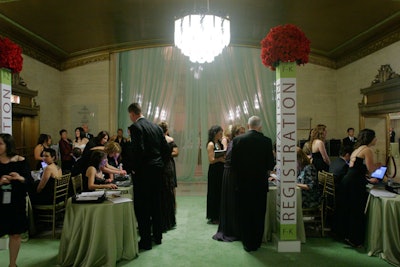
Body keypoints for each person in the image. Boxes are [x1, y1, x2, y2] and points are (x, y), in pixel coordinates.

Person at [127, 102, 170, 250]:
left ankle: (145, 241)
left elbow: (138, 151)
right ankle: (158, 237)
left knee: (142, 207)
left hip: (143, 173)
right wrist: (160, 164)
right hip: (157, 171)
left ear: (132, 114)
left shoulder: (135, 127)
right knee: (156, 204)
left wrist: (134, 169)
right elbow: (166, 150)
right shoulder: (157, 127)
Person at [231, 116, 274, 252]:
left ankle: (247, 242)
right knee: (259, 213)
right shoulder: (266, 141)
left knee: (244, 213)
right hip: (260, 184)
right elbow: (270, 164)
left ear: (248, 125)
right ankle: (256, 242)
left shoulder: (237, 140)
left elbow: (233, 164)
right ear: (260, 126)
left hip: (242, 183)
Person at [336, 128, 380, 248]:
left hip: (348, 181)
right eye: (375, 137)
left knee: (350, 209)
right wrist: (379, 165)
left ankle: (348, 236)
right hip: (355, 183)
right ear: (370, 138)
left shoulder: (357, 149)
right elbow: (371, 170)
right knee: (357, 210)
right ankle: (355, 239)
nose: (376, 139)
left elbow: (356, 168)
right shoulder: (367, 150)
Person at [0, 133, 33, 267]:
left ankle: (12, 263)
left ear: (8, 145)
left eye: (1, 144)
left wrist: (19, 178)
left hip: (15, 202)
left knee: (15, 234)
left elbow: (30, 182)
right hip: (0, 202)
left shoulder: (20, 161)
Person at [213, 125, 246, 242]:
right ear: (235, 134)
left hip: (231, 173)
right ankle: (232, 229)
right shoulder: (235, 143)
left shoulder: (236, 142)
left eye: (243, 132)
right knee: (231, 200)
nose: (242, 134)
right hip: (231, 174)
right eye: (240, 132)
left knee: (233, 201)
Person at [159, 121, 179, 232]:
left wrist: (163, 154)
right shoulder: (169, 140)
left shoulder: (163, 140)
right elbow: (176, 152)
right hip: (167, 166)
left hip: (165, 167)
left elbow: (176, 152)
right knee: (169, 191)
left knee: (166, 191)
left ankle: (166, 219)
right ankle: (170, 219)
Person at [206, 125, 225, 225]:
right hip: (214, 171)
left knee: (220, 192)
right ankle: (214, 216)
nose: (221, 134)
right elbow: (211, 160)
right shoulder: (211, 144)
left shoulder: (219, 143)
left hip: (220, 170)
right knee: (214, 192)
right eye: (220, 132)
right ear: (215, 133)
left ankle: (219, 214)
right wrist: (220, 159)